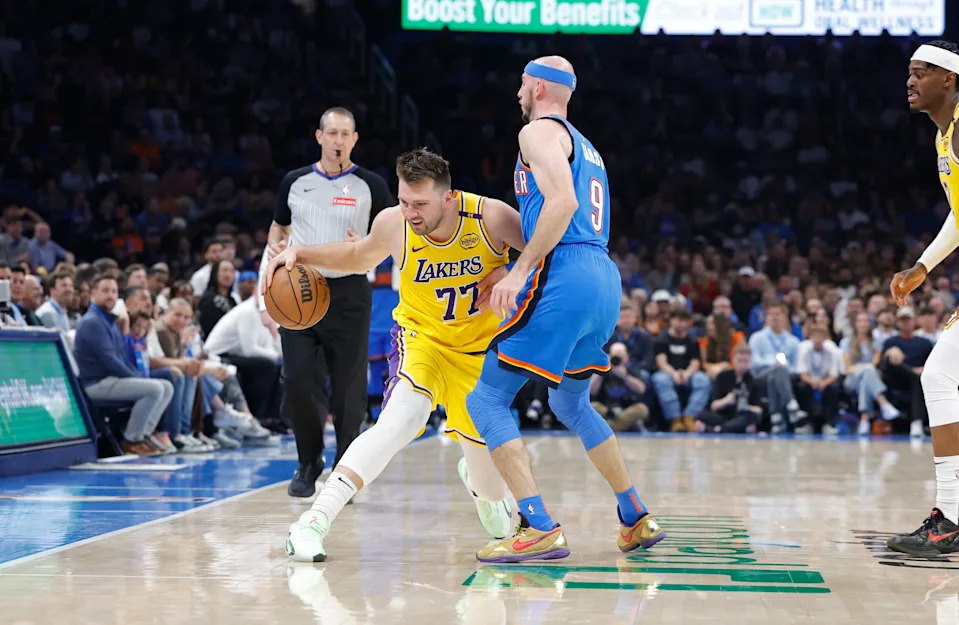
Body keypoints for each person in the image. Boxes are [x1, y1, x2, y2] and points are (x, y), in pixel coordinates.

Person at [266, 148, 525, 562]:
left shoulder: (490, 217)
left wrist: (515, 272)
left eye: (420, 204)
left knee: (491, 490)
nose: (410, 212)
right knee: (397, 423)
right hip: (422, 341)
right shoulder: (394, 222)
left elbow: (548, 252)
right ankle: (312, 522)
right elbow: (359, 256)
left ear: (448, 197)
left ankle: (483, 488)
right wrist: (302, 253)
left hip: (477, 354)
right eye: (404, 201)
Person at [464, 57, 665, 563]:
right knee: (572, 405)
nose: (517, 93)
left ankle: (537, 526)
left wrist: (519, 272)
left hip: (567, 272)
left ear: (537, 87)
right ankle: (635, 516)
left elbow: (562, 205)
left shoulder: (536, 132)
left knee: (486, 400)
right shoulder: (585, 145)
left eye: (521, 84)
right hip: (602, 277)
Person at [263, 106, 395, 498]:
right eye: (331, 133)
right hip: (300, 290)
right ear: (319, 137)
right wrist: (276, 245)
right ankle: (308, 461)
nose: (338, 141)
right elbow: (279, 226)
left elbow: (393, 235)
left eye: (345, 134)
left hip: (350, 290)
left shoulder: (371, 185)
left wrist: (369, 245)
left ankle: (344, 470)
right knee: (298, 379)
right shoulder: (294, 181)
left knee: (349, 390)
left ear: (355, 139)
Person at [887, 40, 959, 556]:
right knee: (940, 376)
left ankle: (951, 516)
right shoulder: (945, 135)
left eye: (921, 72)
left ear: (949, 79)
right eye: (909, 73)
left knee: (938, 376)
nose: (910, 81)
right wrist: (923, 267)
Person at [73, 274, 174, 455]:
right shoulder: (92, 322)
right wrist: (138, 378)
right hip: (95, 384)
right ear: (93, 293)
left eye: (114, 291)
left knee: (166, 387)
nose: (110, 295)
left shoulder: (109, 321)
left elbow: (123, 358)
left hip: (111, 380)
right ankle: (131, 440)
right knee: (154, 389)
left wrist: (140, 376)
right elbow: (111, 363)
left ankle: (143, 436)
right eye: (105, 291)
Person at [840, 312, 901, 435]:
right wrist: (866, 367)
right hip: (851, 380)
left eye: (865, 321)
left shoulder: (876, 341)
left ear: (869, 324)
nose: (863, 324)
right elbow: (848, 368)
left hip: (869, 379)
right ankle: (884, 403)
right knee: (868, 371)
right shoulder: (846, 342)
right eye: (860, 321)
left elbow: (875, 362)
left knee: (866, 380)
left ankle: (864, 420)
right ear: (855, 324)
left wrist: (865, 367)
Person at [747, 301, 804, 432]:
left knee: (776, 376)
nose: (774, 317)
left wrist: (783, 368)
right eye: (771, 314)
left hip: (785, 376)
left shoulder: (793, 341)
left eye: (778, 314)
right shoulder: (757, 338)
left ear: (785, 317)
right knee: (778, 370)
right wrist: (775, 364)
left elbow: (796, 367)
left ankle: (776, 417)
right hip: (761, 375)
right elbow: (754, 363)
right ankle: (791, 405)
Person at [652, 310, 710, 432]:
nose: (682, 324)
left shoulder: (692, 340)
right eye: (679, 320)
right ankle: (675, 419)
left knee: (703, 379)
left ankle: (689, 416)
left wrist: (687, 373)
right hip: (668, 373)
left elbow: (695, 362)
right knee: (661, 379)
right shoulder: (662, 339)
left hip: (688, 374)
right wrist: (674, 373)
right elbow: (661, 361)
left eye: (684, 321)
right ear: (671, 320)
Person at [695, 344, 763, 434]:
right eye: (740, 361)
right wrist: (726, 401)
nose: (742, 365)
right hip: (723, 415)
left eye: (745, 361)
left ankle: (718, 429)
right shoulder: (723, 377)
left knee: (753, 417)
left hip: (741, 416)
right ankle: (728, 428)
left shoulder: (754, 381)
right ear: (733, 359)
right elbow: (713, 405)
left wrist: (746, 407)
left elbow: (759, 410)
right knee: (701, 414)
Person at [794, 323, 844, 434]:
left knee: (833, 388)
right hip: (810, 381)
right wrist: (812, 382)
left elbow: (834, 374)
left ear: (825, 338)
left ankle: (829, 422)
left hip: (825, 381)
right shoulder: (804, 350)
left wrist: (823, 383)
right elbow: (802, 373)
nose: (817, 339)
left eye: (820, 336)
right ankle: (806, 423)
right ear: (810, 337)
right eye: (815, 336)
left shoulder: (831, 351)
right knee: (802, 387)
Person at [589, 342, 650, 432]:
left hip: (627, 409)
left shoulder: (632, 370)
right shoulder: (602, 372)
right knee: (592, 406)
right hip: (607, 410)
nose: (617, 360)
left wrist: (624, 376)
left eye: (620, 357)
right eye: (615, 357)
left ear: (627, 357)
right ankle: (623, 425)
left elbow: (641, 389)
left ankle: (609, 427)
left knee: (642, 409)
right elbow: (592, 391)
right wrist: (603, 368)